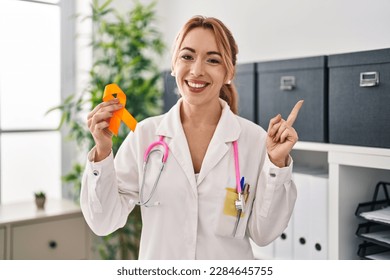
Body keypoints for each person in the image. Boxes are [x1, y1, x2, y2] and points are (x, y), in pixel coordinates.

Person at [81, 15, 303, 260]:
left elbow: (264, 234)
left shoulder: (254, 140)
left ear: (228, 72)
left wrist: (276, 165)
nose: (197, 70)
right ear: (174, 65)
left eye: (212, 60)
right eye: (187, 56)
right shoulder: (145, 136)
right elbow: (103, 222)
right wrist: (102, 152)